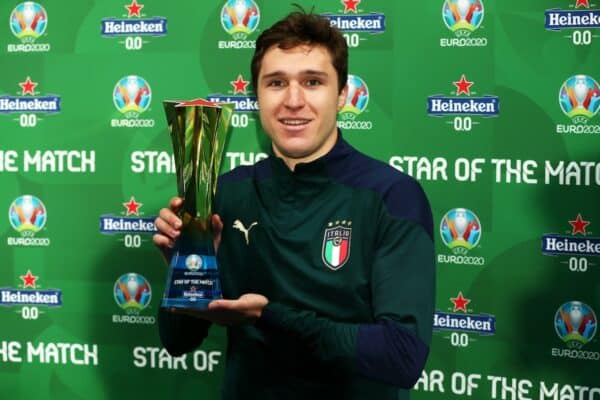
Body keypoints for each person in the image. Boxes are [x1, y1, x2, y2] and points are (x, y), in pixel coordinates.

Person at [153, 8, 434, 400]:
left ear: (342, 95)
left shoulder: (391, 196)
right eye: (276, 83)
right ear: (256, 96)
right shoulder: (227, 193)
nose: (293, 100)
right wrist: (185, 275)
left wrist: (267, 316)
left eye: (313, 81)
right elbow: (177, 342)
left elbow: (402, 356)